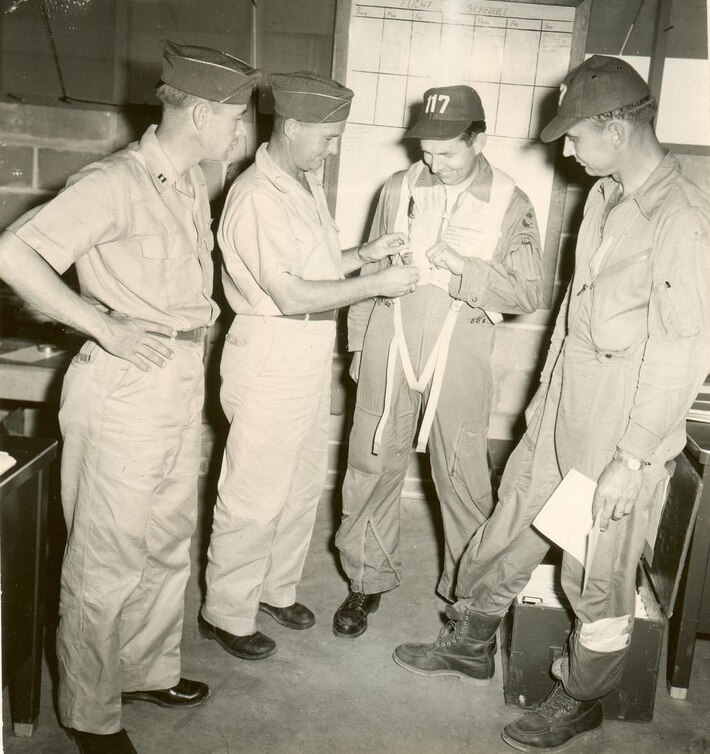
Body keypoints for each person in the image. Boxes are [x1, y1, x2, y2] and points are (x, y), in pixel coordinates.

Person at [392, 56, 710, 751]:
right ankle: (471, 637)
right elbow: (572, 313)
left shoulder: (683, 219)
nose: (566, 150)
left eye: (575, 136)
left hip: (624, 419)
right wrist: (542, 406)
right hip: (568, 400)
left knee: (595, 567)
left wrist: (632, 457)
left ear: (616, 128)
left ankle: (584, 694)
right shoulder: (607, 194)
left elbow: (681, 350)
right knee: (514, 518)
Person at [0, 40, 261, 754]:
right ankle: (89, 711)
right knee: (105, 556)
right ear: (203, 113)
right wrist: (103, 324)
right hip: (123, 388)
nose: (240, 132)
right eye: (235, 116)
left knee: (165, 540)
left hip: (176, 382)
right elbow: (12, 253)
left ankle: (142, 669)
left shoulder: (183, 184)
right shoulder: (115, 180)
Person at [198, 71, 420, 661]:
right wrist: (376, 282)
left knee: (297, 487)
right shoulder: (255, 196)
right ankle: (226, 611)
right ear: (292, 128)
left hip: (305, 351)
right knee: (253, 491)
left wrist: (361, 256)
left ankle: (274, 589)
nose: (333, 147)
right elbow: (291, 295)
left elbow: (314, 271)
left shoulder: (300, 181)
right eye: (327, 136)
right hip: (272, 348)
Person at [332, 84, 543, 639]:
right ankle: (364, 580)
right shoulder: (398, 187)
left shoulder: (510, 199)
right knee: (372, 462)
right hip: (389, 341)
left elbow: (527, 293)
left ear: (478, 140)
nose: (434, 163)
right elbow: (368, 274)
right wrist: (358, 345)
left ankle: (468, 601)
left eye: (448, 152)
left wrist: (468, 269)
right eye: (427, 151)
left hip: (463, 348)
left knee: (462, 476)